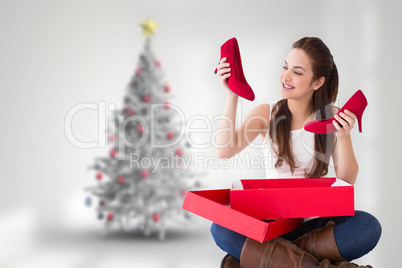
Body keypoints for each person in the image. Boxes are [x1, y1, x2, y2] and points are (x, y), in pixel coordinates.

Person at [211, 37, 381, 267]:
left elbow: (347, 180)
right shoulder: (266, 113)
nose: (285, 76)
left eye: (297, 72)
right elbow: (224, 150)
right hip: (272, 223)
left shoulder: (332, 115)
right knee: (220, 227)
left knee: (368, 226)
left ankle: (274, 258)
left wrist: (343, 135)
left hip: (317, 224)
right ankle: (308, 262)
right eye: (285, 67)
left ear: (317, 82)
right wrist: (232, 94)